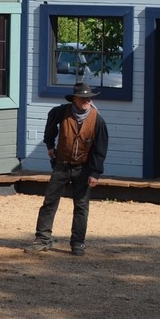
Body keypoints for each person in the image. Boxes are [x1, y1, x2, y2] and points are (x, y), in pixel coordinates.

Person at [28, 76, 109, 256]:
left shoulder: (98, 120)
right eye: (83, 98)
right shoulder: (61, 112)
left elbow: (100, 148)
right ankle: (42, 239)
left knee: (81, 206)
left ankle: (78, 243)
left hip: (84, 168)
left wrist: (95, 172)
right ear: (74, 99)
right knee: (49, 202)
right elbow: (51, 124)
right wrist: (50, 145)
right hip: (62, 165)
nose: (87, 101)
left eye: (89, 98)